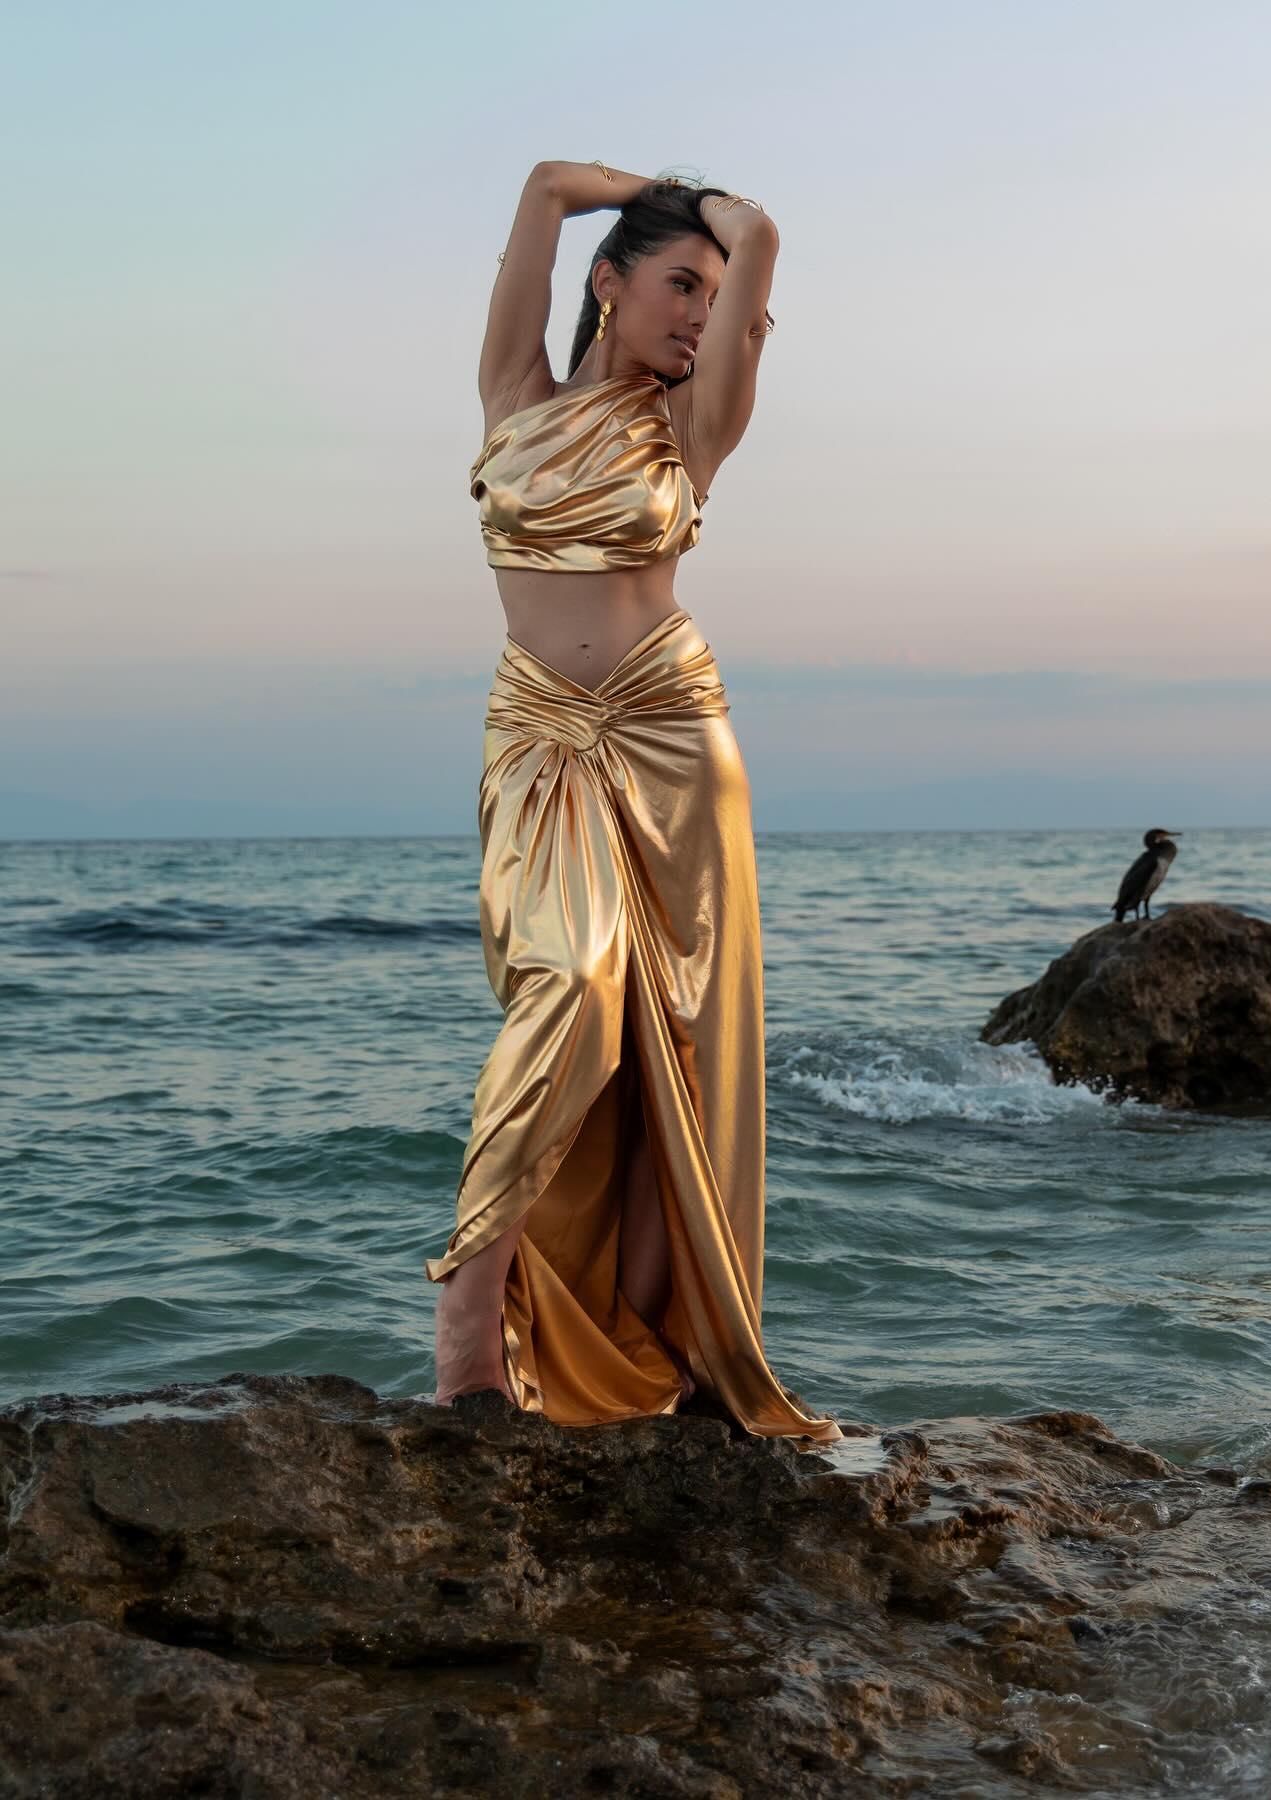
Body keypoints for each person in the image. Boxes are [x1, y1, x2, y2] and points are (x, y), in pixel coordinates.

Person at [426, 159, 841, 1445]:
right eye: (677, 286)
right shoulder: (515, 397)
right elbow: (547, 189)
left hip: (674, 737)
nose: (699, 317)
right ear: (607, 285)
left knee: (683, 1048)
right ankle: (474, 1306)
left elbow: (762, 231)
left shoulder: (694, 428)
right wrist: (647, 185)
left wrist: (713, 222)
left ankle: (647, 1347)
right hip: (538, 739)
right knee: (573, 982)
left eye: (718, 302)